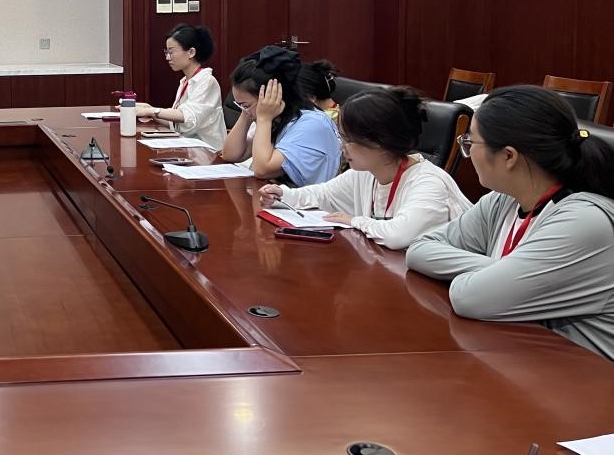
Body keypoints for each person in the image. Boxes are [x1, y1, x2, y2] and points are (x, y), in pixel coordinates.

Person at [406, 85, 614, 359]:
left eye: (471, 143)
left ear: (508, 156)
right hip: (527, 358)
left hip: (588, 375)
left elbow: (470, 298)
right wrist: (507, 271)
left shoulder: (584, 222)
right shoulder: (503, 200)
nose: (468, 152)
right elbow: (419, 250)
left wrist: (503, 277)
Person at [259, 87, 471, 249]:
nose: (341, 147)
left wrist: (355, 221)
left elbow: (398, 236)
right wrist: (283, 196)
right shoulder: (367, 173)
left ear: (380, 142)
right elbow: (323, 195)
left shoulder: (428, 183)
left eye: (348, 140)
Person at [220, 46, 340, 186]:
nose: (245, 110)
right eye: (240, 105)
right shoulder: (275, 117)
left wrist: (264, 119)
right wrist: (246, 113)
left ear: (273, 96)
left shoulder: (312, 124)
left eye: (246, 105)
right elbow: (230, 154)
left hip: (307, 200)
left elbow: (262, 169)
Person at [132, 24, 227, 151]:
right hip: (188, 148)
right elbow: (177, 124)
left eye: (171, 52)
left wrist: (152, 111)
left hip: (207, 151)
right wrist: (149, 110)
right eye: (166, 52)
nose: (167, 58)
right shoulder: (185, 81)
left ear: (191, 52)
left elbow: (188, 117)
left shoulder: (207, 81)